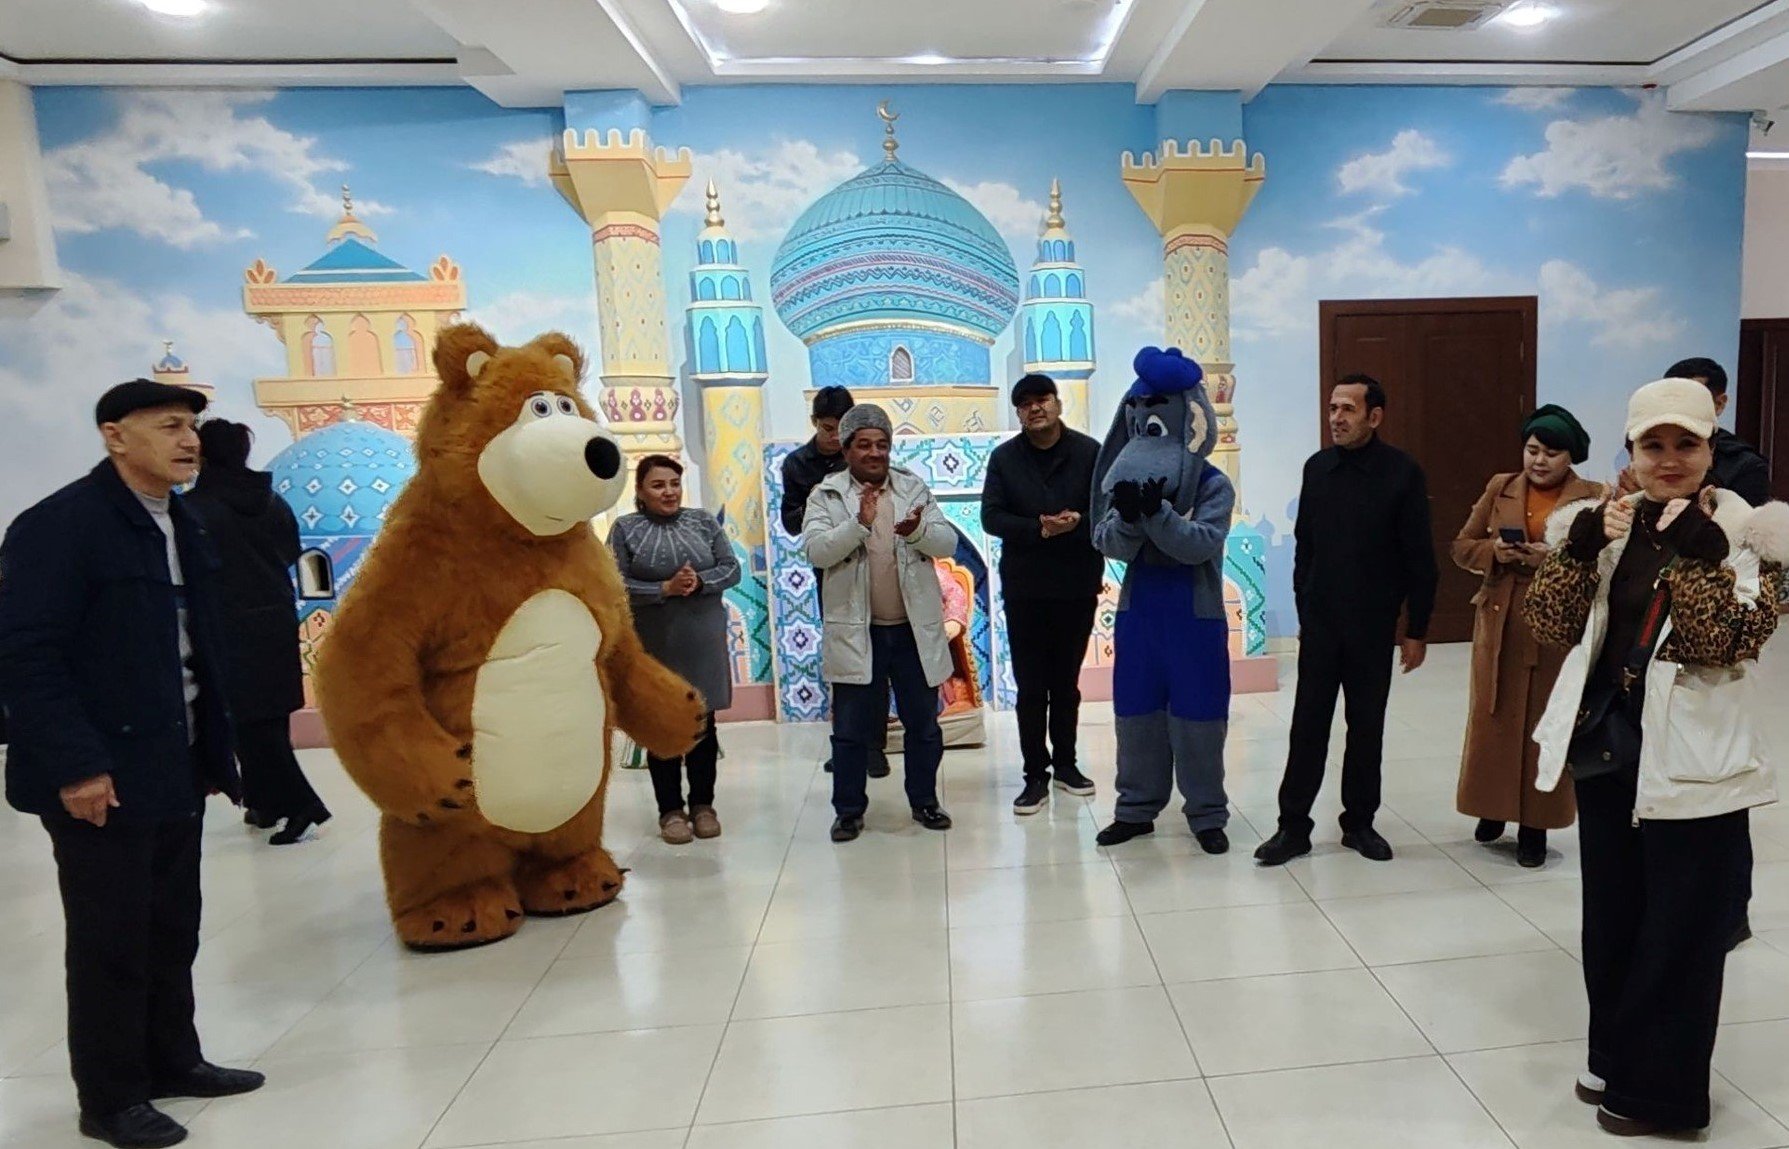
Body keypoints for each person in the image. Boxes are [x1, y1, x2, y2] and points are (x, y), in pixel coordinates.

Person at [0, 379, 266, 1149]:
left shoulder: (184, 519)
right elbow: (27, 655)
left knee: (172, 922)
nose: (189, 439)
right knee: (110, 936)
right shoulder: (62, 525)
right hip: (101, 771)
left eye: (192, 426)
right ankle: (111, 1096)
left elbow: (198, 645)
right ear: (115, 436)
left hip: (172, 758)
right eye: (169, 425)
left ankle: (173, 1058)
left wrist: (213, 751)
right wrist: (77, 765)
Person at [1524, 377, 1787, 1138]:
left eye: (1686, 444)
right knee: (1612, 916)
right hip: (1610, 749)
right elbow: (1550, 624)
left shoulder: (1751, 534)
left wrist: (1703, 558)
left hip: (1697, 762)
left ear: (1710, 449)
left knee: (1682, 932)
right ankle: (1611, 1056)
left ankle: (1660, 1096)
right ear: (1630, 452)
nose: (1668, 460)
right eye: (1653, 445)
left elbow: (1724, 641)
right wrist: (1579, 550)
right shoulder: (1608, 524)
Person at [1256, 374, 1439, 866]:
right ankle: (1292, 827)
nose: (1336, 418)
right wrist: (1304, 604)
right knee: (1307, 726)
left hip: (1373, 625)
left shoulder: (1402, 473)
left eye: (1348, 410)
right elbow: (1306, 547)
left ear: (1374, 417)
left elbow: (1419, 558)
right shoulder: (1318, 468)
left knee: (1366, 726)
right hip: (1321, 624)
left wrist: (1416, 629)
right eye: (1333, 408)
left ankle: (1359, 824)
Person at [1090, 348, 1236, 852]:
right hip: (1141, 616)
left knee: (1200, 718)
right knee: (1137, 716)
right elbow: (1110, 543)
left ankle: (1207, 814)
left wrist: (1158, 514)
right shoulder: (1126, 480)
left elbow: (1198, 545)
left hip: (1195, 617)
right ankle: (1135, 809)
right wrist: (1131, 517)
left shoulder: (1213, 485)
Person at [1450, 407, 1604, 868]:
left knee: (1546, 721)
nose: (1539, 461)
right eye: (1532, 450)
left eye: (1551, 453)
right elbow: (1461, 547)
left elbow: (1604, 563)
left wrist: (1549, 560)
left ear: (1570, 457)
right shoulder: (1501, 487)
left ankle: (1535, 826)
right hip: (1500, 619)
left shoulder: (1593, 497)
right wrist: (1494, 552)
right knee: (1494, 717)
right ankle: (1492, 808)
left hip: (1555, 623)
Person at [801, 403, 958, 842]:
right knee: (851, 732)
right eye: (864, 445)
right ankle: (849, 811)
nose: (874, 453)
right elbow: (817, 552)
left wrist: (917, 531)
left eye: (882, 444)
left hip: (911, 632)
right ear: (846, 449)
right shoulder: (826, 495)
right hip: (858, 633)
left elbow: (946, 542)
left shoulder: (912, 487)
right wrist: (859, 524)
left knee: (923, 727)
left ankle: (925, 802)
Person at [185, 418, 330, 846]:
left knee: (251, 727)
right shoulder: (273, 502)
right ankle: (263, 803)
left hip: (227, 627)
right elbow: (289, 552)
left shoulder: (194, 509)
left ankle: (302, 805)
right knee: (267, 723)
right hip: (274, 620)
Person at [980, 372, 1104, 814]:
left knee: (1066, 684)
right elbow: (991, 517)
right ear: (1018, 412)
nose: (1035, 408)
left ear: (1057, 403)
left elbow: (1106, 511)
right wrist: (1039, 528)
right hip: (1026, 588)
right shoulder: (1004, 459)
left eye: (1043, 399)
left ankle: (1067, 765)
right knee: (1031, 686)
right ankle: (1035, 775)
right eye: (1025, 403)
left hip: (1076, 583)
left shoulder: (1089, 452)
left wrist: (1076, 523)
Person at [608, 455, 741, 845]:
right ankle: (670, 811)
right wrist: (662, 589)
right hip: (655, 644)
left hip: (702, 641)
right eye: (658, 485)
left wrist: (698, 581)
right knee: (662, 724)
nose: (668, 492)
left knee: (704, 725)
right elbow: (613, 582)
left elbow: (731, 568)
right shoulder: (625, 529)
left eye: (674, 484)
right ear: (640, 491)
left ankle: (703, 806)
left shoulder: (703, 522)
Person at [780, 385, 889, 780]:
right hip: (833, 574)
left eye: (842, 427)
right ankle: (846, 745)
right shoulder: (797, 465)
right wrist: (818, 503)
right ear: (814, 423)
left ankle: (875, 748)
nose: (835, 436)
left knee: (877, 658)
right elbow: (791, 523)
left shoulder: (864, 456)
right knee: (845, 662)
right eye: (828, 428)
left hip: (876, 569)